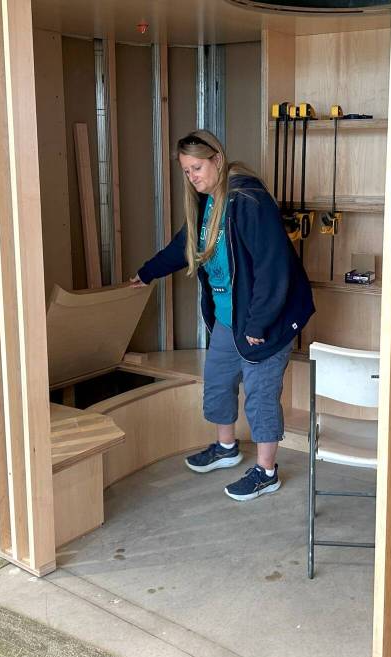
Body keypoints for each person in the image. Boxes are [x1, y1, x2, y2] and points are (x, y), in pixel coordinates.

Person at [129, 129, 314, 502]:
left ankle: (266, 472)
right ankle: (226, 448)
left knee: (261, 395)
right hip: (231, 318)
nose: (192, 176)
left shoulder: (248, 200)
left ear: (216, 159)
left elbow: (273, 266)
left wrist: (260, 323)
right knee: (217, 380)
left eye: (196, 167)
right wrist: (145, 273)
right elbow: (185, 246)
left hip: (265, 319)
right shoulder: (206, 202)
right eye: (185, 171)